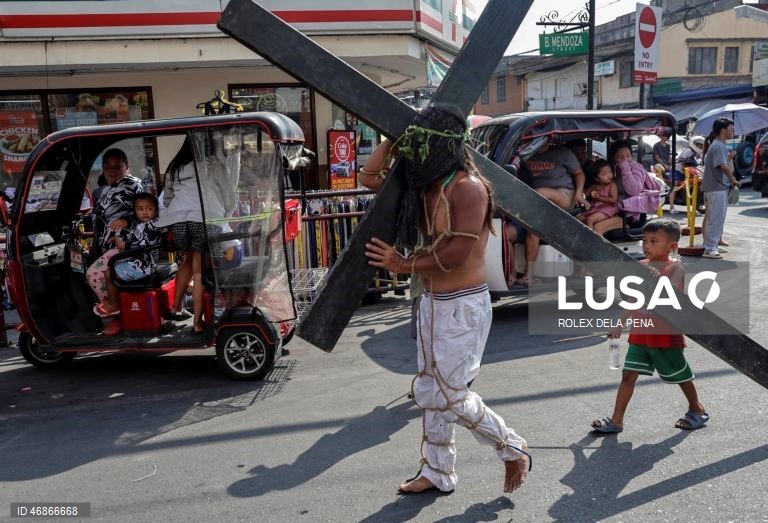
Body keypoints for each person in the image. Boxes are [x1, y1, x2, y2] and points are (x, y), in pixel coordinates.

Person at [363, 103, 530, 495]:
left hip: (463, 306)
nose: (414, 152)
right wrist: (394, 137)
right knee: (429, 392)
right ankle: (438, 473)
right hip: (432, 304)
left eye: (421, 143)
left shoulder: (467, 188)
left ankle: (512, 448)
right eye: (412, 144)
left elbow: (455, 254)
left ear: (442, 146)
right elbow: (369, 177)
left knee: (452, 397)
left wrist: (402, 265)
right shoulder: (424, 184)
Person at [592, 218, 709, 433]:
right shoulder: (642, 266)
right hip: (640, 333)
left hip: (664, 335)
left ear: (672, 247)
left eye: (654, 241)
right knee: (628, 375)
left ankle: (697, 409)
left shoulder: (676, 268)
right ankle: (617, 420)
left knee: (680, 375)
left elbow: (669, 297)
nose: (646, 245)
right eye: (645, 240)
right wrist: (619, 323)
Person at [156, 135, 237, 333]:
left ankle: (175, 307)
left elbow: (167, 199)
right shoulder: (212, 164)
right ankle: (197, 322)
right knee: (201, 270)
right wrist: (226, 214)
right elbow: (228, 195)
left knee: (188, 260)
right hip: (206, 219)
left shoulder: (174, 167)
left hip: (178, 223)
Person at [519, 143, 588, 285]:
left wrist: (579, 194)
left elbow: (579, 173)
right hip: (541, 202)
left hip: (564, 194)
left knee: (539, 192)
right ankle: (528, 274)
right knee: (533, 229)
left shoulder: (563, 153)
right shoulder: (526, 153)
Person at [85, 148, 143, 304]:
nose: (112, 171)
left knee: (94, 275)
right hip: (109, 246)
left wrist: (127, 222)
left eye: (117, 166)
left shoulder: (131, 185)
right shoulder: (108, 188)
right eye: (108, 167)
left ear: (126, 166)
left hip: (126, 246)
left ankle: (115, 310)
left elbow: (146, 214)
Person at [94, 192, 163, 317]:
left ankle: (113, 305)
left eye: (149, 208)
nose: (145, 212)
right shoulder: (150, 224)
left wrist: (121, 242)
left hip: (143, 267)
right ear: (135, 211)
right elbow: (134, 235)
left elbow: (130, 244)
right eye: (140, 209)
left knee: (110, 272)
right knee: (116, 265)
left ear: (156, 210)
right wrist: (119, 237)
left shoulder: (149, 226)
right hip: (143, 262)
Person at [592, 141, 661, 238]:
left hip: (630, 215)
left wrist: (625, 167)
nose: (625, 160)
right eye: (620, 157)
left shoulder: (636, 168)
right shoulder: (611, 170)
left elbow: (634, 191)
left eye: (628, 156)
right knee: (586, 221)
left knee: (598, 228)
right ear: (614, 159)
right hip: (613, 209)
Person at [701, 117, 739, 259]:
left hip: (714, 187)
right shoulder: (718, 146)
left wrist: (729, 157)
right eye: (730, 129)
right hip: (716, 188)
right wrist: (732, 179)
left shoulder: (718, 146)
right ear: (723, 131)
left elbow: (721, 163)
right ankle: (710, 249)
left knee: (713, 218)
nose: (732, 131)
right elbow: (722, 166)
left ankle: (710, 245)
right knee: (716, 218)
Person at [578, 159, 619, 230]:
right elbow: (584, 196)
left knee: (589, 220)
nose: (608, 175)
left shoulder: (612, 185)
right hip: (595, 208)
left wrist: (598, 198)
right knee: (578, 219)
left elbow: (613, 200)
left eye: (610, 172)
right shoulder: (594, 186)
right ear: (596, 178)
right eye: (604, 174)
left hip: (607, 209)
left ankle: (591, 239)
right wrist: (590, 192)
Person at [668, 135, 705, 214]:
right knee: (674, 186)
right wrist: (681, 160)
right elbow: (681, 160)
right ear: (693, 144)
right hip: (677, 170)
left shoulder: (697, 153)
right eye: (699, 144)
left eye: (702, 145)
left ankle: (694, 208)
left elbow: (698, 162)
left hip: (687, 171)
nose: (700, 146)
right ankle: (671, 207)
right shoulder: (688, 151)